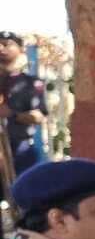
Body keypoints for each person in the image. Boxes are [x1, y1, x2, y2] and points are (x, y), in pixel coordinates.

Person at [1, 31, 48, 179]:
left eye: (7, 44)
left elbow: (39, 116)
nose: (2, 48)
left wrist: (12, 114)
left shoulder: (31, 83)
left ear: (20, 49)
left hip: (20, 148)